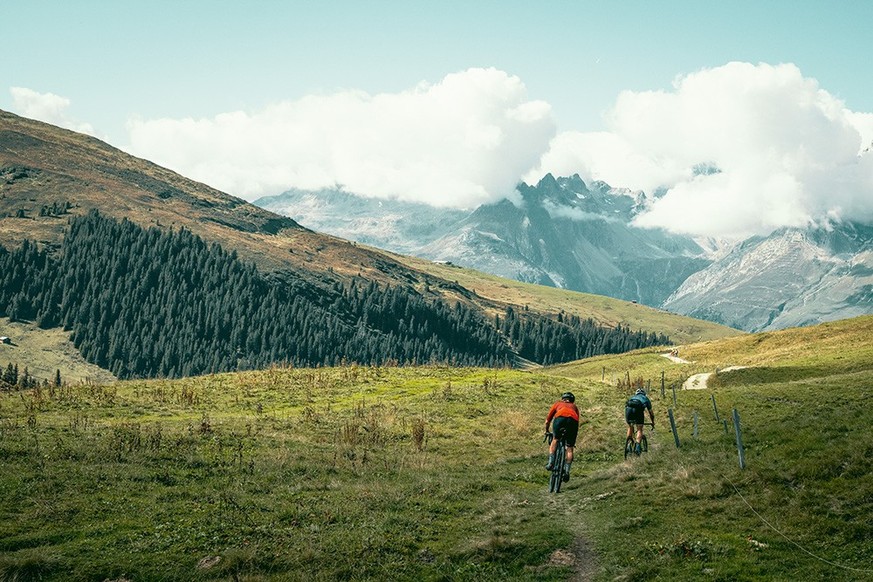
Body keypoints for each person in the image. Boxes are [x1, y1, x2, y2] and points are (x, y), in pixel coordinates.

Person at [544, 391, 582, 482]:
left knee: (555, 439)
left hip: (560, 419)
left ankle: (550, 463)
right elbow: (577, 420)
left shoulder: (558, 404)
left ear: (563, 399)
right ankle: (567, 472)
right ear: (572, 400)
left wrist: (546, 430)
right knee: (569, 447)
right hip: (573, 422)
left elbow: (547, 420)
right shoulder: (574, 407)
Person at [625, 387, 655, 455]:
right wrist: (653, 422)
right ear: (644, 394)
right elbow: (651, 413)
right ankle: (638, 446)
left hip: (628, 410)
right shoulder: (645, 398)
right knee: (639, 429)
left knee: (630, 427)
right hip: (638, 410)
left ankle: (629, 444)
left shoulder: (632, 397)